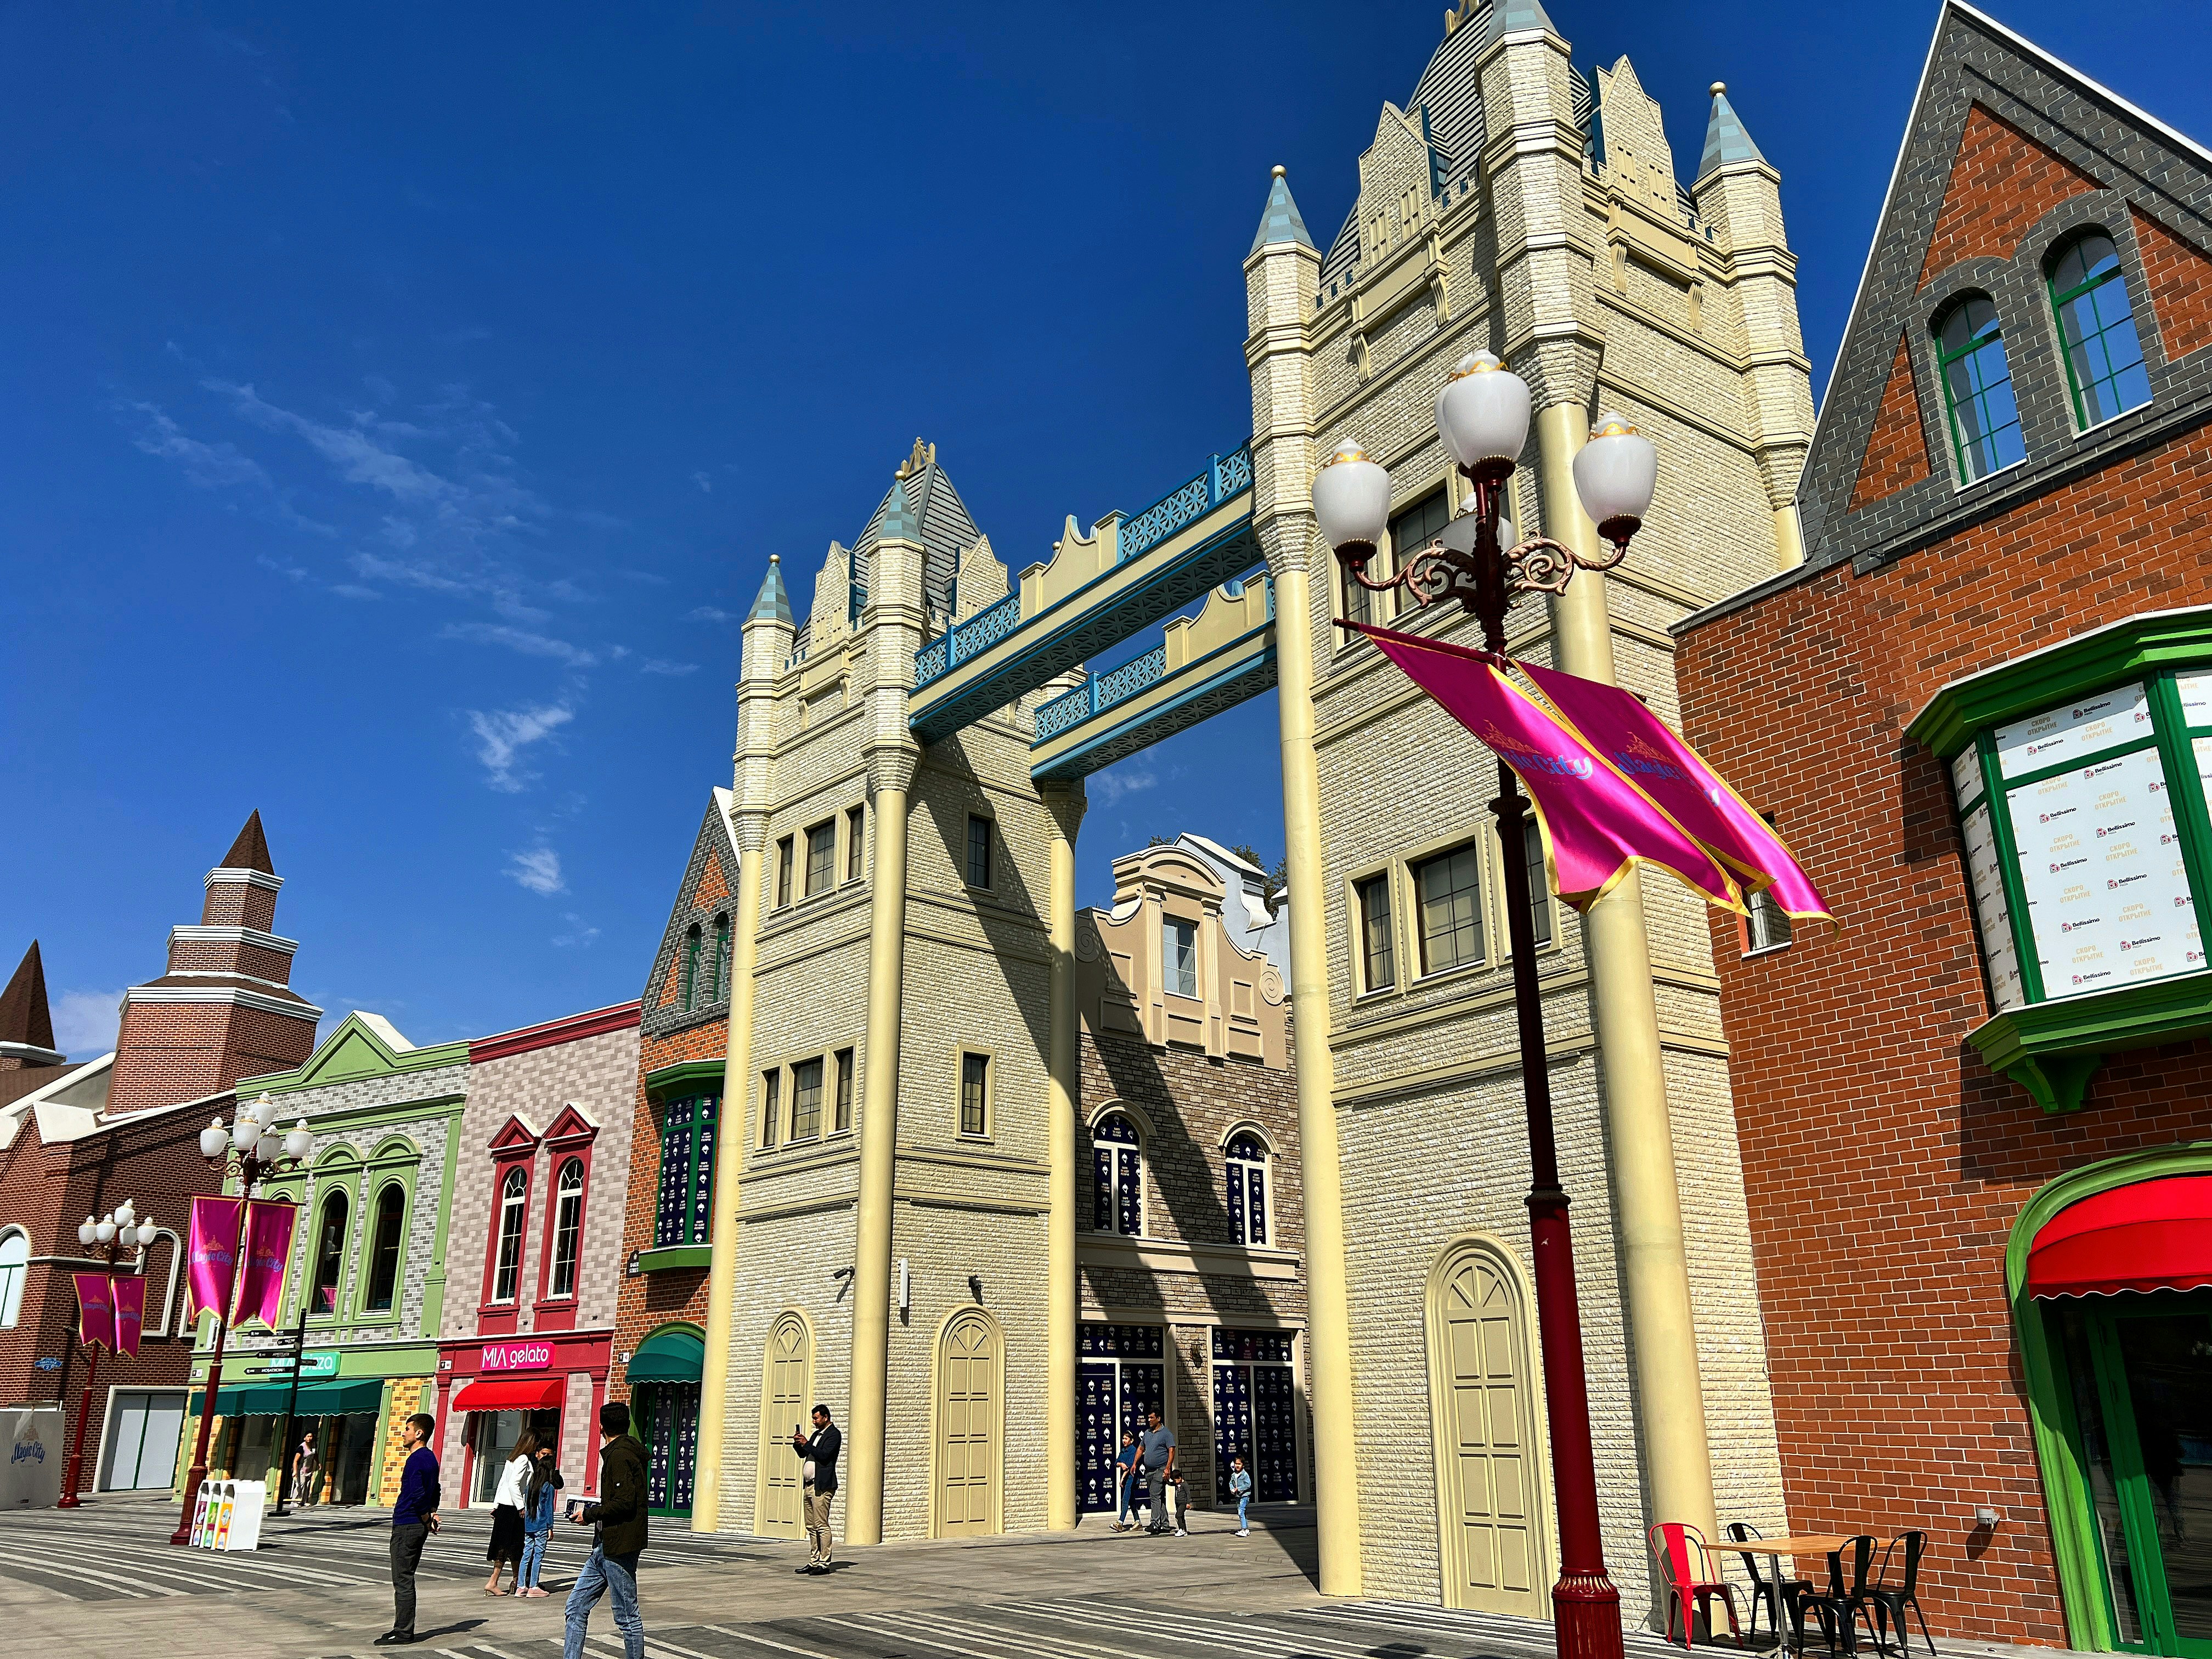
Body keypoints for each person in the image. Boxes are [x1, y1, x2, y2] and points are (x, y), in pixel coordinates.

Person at [563, 1401, 647, 1659]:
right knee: (576, 1606)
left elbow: (623, 1503)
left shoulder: (620, 1455)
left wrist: (589, 1514)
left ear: (601, 1426)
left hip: (619, 1545)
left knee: (627, 1616)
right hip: (604, 1545)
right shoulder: (622, 1452)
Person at [376, 1413, 441, 1646]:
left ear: (419, 1434)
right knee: (405, 1578)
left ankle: (404, 1632)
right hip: (417, 1525)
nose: (403, 1433)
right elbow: (436, 1490)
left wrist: (425, 1515)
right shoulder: (431, 1459)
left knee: (402, 1580)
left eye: (407, 1429)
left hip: (407, 1524)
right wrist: (432, 1513)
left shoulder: (415, 1460)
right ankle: (400, 1628)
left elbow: (416, 1494)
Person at [791, 1403, 842, 1573]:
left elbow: (824, 1456)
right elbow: (804, 1454)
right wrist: (799, 1444)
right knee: (811, 1526)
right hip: (809, 1486)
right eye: (813, 1418)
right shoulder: (816, 1435)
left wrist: (808, 1444)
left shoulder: (834, 1435)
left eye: (816, 1418)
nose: (814, 1421)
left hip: (822, 1486)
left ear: (825, 1417)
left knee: (821, 1525)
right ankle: (814, 1561)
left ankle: (824, 1563)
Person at [484, 1429, 535, 1595]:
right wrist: (521, 1506)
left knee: (511, 1545)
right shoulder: (523, 1459)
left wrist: (496, 1504)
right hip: (513, 1508)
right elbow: (514, 1484)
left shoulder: (512, 1458)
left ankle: (516, 1581)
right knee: (511, 1545)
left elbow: (502, 1483)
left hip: (505, 1506)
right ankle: (496, 1581)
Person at [518, 1442, 564, 1597]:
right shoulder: (548, 1487)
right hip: (541, 1525)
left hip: (529, 1525)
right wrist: (550, 1527)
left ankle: (521, 1586)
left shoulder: (531, 1485)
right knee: (538, 1555)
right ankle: (533, 1586)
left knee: (526, 1554)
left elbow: (527, 1504)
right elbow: (548, 1509)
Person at [1138, 1408, 1177, 1536]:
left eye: (1152, 1418)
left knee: (1155, 1496)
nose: (1149, 1420)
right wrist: (1134, 1464)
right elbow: (1141, 1448)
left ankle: (1155, 1524)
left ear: (1158, 1419)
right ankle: (1165, 1524)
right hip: (1149, 1471)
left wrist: (1168, 1468)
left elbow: (1171, 1450)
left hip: (1160, 1470)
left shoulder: (1166, 1433)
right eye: (1148, 1418)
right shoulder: (1147, 1433)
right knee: (1159, 1497)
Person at [1110, 1430, 1141, 1533]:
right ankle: (1138, 1522)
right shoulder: (1123, 1450)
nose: (1124, 1440)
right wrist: (1120, 1464)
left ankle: (1120, 1522)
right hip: (1126, 1478)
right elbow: (1116, 1462)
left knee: (1126, 1499)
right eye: (1123, 1438)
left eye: (1126, 1439)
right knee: (1131, 1500)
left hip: (1131, 1478)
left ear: (1131, 1441)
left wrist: (1122, 1478)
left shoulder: (1133, 1450)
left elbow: (1129, 1466)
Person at [294, 1430, 320, 1507]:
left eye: (311, 1436)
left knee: (307, 1485)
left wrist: (318, 1463)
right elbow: (295, 1461)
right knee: (300, 1484)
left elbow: (315, 1455)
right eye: (308, 1436)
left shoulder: (314, 1446)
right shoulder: (302, 1448)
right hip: (301, 1469)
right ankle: (295, 1501)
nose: (310, 1438)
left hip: (309, 1468)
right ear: (305, 1438)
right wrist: (295, 1471)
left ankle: (304, 1501)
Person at [1228, 1455, 1252, 1536]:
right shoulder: (1233, 1475)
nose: (1237, 1466)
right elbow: (1231, 1483)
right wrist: (1232, 1489)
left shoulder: (1245, 1475)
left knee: (1241, 1511)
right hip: (1238, 1496)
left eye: (1239, 1464)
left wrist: (1238, 1489)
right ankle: (1246, 1529)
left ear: (1243, 1465)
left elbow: (1248, 1485)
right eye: (1236, 1464)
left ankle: (1243, 1529)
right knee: (1243, 1512)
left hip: (1245, 1496)